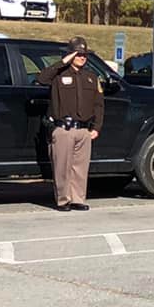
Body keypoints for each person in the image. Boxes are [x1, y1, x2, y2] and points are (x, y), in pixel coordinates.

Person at [36, 36, 102, 212]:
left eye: (84, 55)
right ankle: (63, 200)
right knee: (62, 167)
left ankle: (77, 198)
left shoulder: (91, 77)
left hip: (83, 130)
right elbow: (42, 78)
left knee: (80, 168)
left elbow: (99, 104)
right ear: (70, 55)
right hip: (63, 128)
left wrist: (96, 128)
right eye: (78, 54)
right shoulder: (58, 75)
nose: (82, 57)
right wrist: (63, 62)